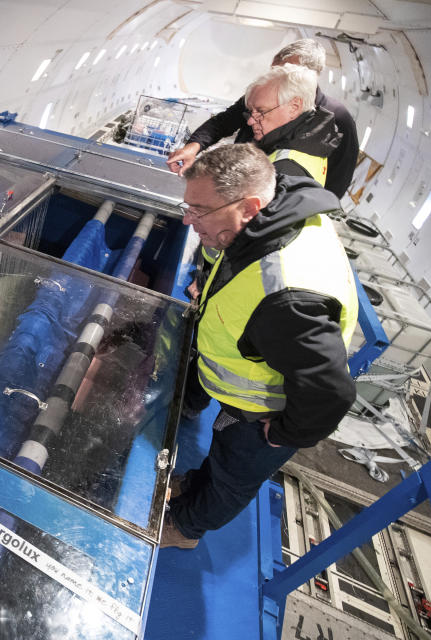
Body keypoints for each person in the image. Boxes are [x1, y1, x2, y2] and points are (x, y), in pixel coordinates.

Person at [162, 143, 358, 549]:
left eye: (199, 211)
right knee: (222, 457)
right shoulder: (276, 202)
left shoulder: (288, 298)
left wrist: (282, 433)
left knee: (234, 477)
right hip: (242, 403)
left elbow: (331, 393)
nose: (187, 220)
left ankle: (185, 529)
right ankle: (195, 486)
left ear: (250, 206)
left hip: (266, 415)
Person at [167, 39, 358, 200]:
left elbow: (338, 179)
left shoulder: (337, 119)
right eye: (272, 71)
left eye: (282, 73)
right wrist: (193, 146)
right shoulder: (264, 96)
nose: (251, 120)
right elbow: (224, 122)